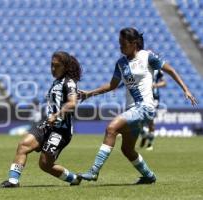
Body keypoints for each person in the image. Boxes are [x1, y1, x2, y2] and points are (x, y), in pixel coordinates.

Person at [78, 27, 197, 184]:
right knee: (127, 149)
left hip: (144, 107)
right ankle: (149, 176)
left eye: (123, 43)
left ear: (134, 43)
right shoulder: (121, 63)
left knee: (111, 128)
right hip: (132, 110)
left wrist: (186, 89)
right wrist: (89, 93)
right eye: (119, 43)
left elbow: (170, 70)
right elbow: (112, 85)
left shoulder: (147, 56)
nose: (120, 47)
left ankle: (94, 171)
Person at [0, 51, 83, 188]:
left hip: (61, 131)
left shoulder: (69, 83)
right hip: (47, 125)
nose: (53, 69)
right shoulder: (56, 82)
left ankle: (74, 178)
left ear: (65, 66)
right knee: (23, 145)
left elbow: (72, 103)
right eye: (52, 65)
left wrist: (57, 115)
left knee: (45, 165)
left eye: (57, 66)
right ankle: (13, 181)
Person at [139, 69, 166, 150]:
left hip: (154, 98)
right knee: (138, 119)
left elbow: (164, 83)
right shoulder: (142, 67)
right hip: (142, 96)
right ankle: (144, 135)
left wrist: (155, 85)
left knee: (151, 120)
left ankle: (150, 144)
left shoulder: (159, 71)